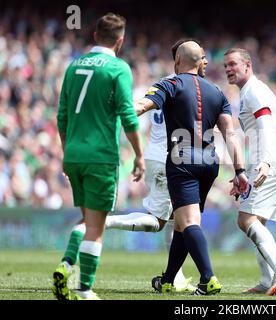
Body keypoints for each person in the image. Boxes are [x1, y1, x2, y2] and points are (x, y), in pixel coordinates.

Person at [134, 41, 248, 295]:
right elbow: (231, 133)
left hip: (181, 160)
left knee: (188, 221)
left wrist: (117, 114)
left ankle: (207, 278)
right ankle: (168, 279)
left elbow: (142, 106)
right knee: (181, 223)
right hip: (209, 163)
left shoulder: (170, 84)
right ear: (200, 62)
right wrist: (240, 171)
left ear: (177, 62)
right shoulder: (217, 92)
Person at [53, 13, 145, 300]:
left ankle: (67, 265)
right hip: (100, 155)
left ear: (94, 35)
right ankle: (84, 288)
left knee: (87, 221)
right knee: (96, 226)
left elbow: (62, 116)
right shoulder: (118, 68)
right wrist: (139, 155)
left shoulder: (73, 66)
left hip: (74, 153)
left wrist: (68, 151)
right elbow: (127, 115)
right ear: (120, 41)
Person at [104, 39, 207, 293]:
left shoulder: (164, 84)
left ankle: (176, 277)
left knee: (177, 220)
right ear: (184, 59)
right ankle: (105, 222)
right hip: (168, 159)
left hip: (159, 155)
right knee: (159, 220)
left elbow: (145, 116)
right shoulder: (184, 87)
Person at [223, 48, 276, 296]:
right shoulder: (250, 92)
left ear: (247, 65)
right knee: (257, 222)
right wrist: (242, 173)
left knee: (246, 220)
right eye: (226, 66)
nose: (228, 69)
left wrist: (264, 162)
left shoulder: (254, 91)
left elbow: (265, 126)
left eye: (233, 64)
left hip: (272, 163)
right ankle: (267, 280)